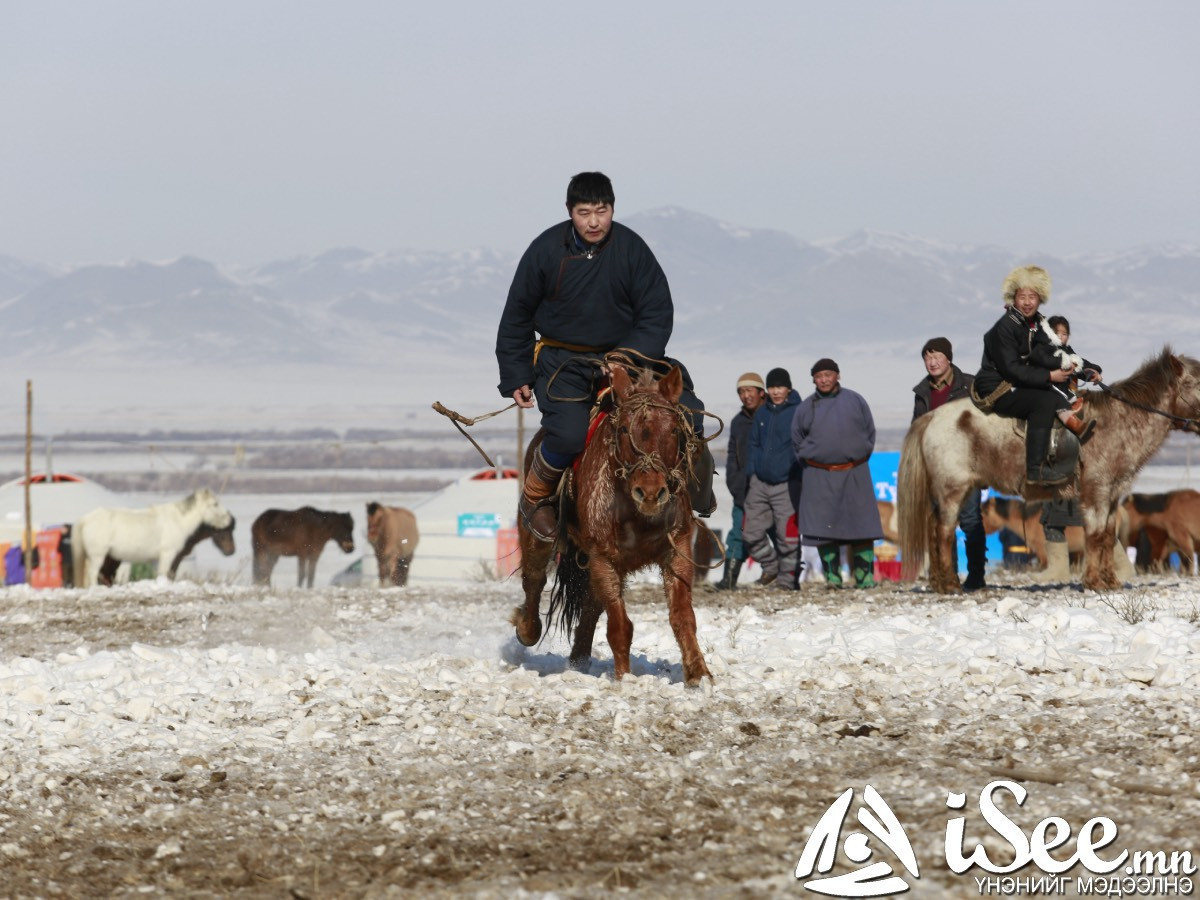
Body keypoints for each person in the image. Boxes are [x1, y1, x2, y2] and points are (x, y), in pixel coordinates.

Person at [495, 172, 715, 541]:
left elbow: (657, 312)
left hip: (632, 358)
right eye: (584, 212)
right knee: (567, 435)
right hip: (565, 361)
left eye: (602, 210)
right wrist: (516, 374)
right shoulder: (546, 250)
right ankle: (535, 498)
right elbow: (516, 315)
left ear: (613, 209)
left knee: (687, 413)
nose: (594, 221)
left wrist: (625, 357)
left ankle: (695, 492)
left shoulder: (632, 249)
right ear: (570, 212)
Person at [972, 265, 1099, 486]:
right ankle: (1035, 470)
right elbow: (1012, 369)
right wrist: (1049, 376)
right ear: (1014, 299)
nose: (1028, 302)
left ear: (1040, 298)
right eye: (1022, 297)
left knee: (1060, 395)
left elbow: (1060, 352)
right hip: (999, 387)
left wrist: (1088, 369)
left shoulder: (1039, 325)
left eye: (1033, 296)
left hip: (1022, 382)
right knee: (1045, 402)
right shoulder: (1005, 328)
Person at [792, 359, 883, 588]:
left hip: (855, 472)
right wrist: (813, 459)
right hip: (819, 474)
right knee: (823, 529)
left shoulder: (855, 401)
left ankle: (865, 578)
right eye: (819, 375)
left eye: (828, 374)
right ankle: (833, 579)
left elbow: (869, 433)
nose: (823, 379)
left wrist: (856, 457)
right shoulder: (805, 407)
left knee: (862, 527)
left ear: (838, 376)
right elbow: (796, 441)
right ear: (813, 379)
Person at [912, 337, 988, 591]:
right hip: (936, 470)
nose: (932, 362)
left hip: (967, 468)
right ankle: (948, 576)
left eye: (937, 357)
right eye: (927, 357)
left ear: (948, 358)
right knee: (942, 521)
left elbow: (985, 425)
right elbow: (917, 430)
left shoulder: (969, 385)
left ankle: (977, 575)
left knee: (970, 520)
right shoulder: (922, 392)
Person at [1036, 315, 1100, 582]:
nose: (1060, 337)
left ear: (1068, 337)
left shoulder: (1071, 355)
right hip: (1052, 402)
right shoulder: (1043, 355)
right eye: (1055, 332)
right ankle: (1058, 569)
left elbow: (1086, 366)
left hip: (1072, 400)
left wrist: (1092, 372)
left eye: (1064, 333)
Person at [742, 368, 802, 589]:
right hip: (759, 482)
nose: (776, 392)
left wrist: (796, 471)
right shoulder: (762, 413)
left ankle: (786, 584)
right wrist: (751, 472)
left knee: (788, 537)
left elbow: (803, 444)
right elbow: (754, 444)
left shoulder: (799, 411)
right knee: (750, 533)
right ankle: (771, 565)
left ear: (788, 388)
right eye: (772, 387)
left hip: (786, 483)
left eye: (780, 387)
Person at [715, 372, 767, 590]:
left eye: (749, 390)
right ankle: (728, 580)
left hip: (771, 488)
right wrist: (735, 485)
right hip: (743, 491)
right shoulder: (737, 422)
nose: (746, 396)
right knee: (738, 534)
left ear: (761, 392)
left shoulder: (772, 416)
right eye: (741, 392)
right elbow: (732, 455)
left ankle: (782, 577)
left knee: (778, 534)